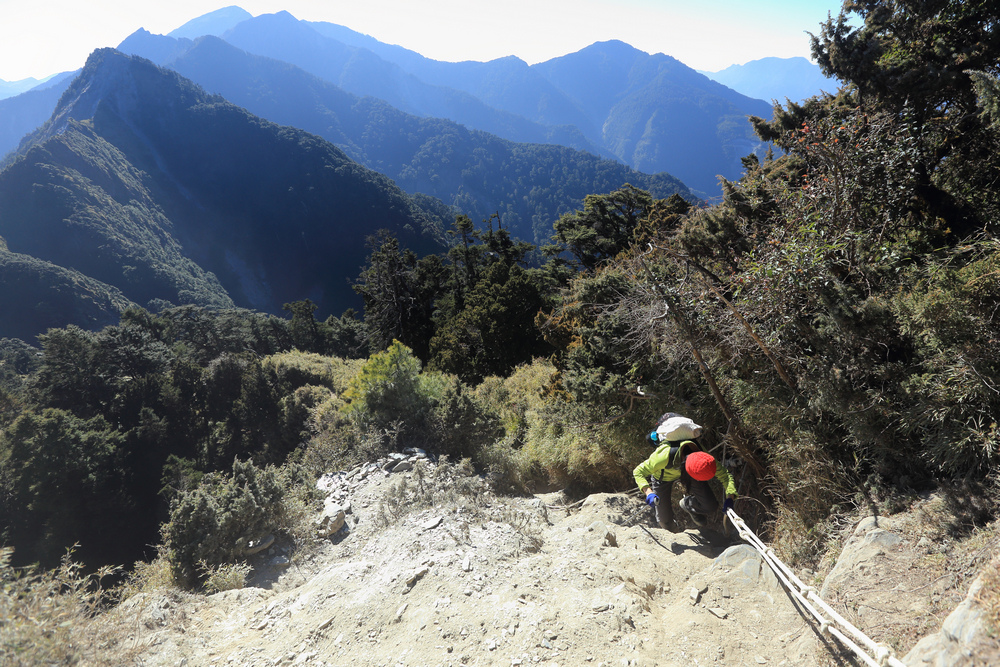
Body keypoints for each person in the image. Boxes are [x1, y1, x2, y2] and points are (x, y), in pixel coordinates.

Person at [633, 413, 737, 532]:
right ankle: (674, 531)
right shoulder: (663, 457)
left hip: (691, 473)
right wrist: (649, 492)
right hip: (663, 477)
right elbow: (638, 472)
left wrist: (730, 497)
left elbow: (725, 475)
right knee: (664, 521)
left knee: (710, 506)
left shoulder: (703, 457)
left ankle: (688, 504)